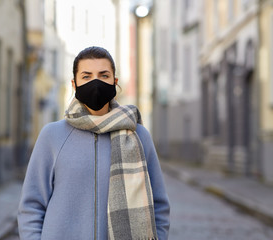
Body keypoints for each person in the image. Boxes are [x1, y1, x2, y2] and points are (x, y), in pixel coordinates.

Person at [17, 46, 170, 240]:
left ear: (114, 82)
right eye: (87, 76)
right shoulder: (52, 136)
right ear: (74, 84)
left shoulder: (137, 135)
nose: (95, 83)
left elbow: (159, 206)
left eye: (103, 75)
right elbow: (31, 205)